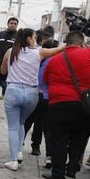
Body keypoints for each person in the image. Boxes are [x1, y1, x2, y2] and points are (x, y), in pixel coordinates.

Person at [0, 28, 64, 171]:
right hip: (31, 94)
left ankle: (13, 160)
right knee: (22, 123)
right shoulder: (39, 53)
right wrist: (69, 43)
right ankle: (19, 152)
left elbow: (2, 71)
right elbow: (57, 50)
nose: (35, 39)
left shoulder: (10, 52)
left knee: (13, 127)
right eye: (34, 37)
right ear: (28, 39)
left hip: (13, 91)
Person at [42, 31, 90, 179]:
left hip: (59, 104)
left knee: (58, 138)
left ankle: (58, 173)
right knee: (79, 138)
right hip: (86, 105)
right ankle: (72, 169)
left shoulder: (54, 59)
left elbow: (45, 79)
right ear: (81, 42)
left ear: (66, 43)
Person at [24, 26, 58, 165]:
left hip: (36, 93)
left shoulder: (39, 58)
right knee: (43, 125)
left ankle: (20, 144)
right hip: (47, 97)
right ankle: (40, 150)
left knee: (28, 121)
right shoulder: (54, 60)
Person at [0, 17, 19, 102]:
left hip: (12, 64)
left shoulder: (18, 37)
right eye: (11, 23)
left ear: (17, 25)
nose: (13, 25)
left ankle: (7, 98)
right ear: (7, 24)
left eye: (15, 24)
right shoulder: (0, 34)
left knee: (9, 82)